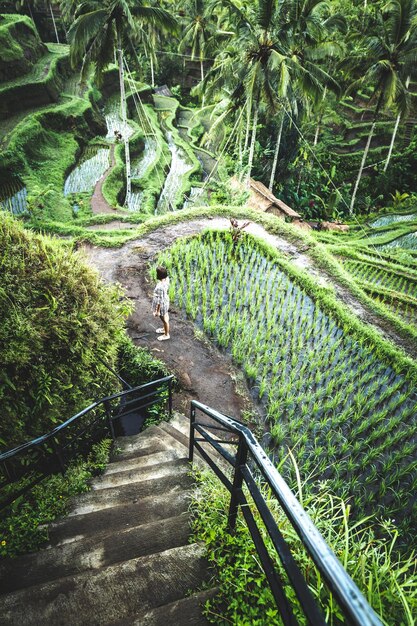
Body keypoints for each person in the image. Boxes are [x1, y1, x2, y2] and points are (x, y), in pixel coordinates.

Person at [152, 266, 170, 341]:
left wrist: (157, 311)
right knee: (166, 316)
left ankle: (166, 334)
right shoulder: (167, 279)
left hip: (162, 305)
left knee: (164, 319)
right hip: (166, 301)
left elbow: (159, 301)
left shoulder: (159, 287)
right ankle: (164, 329)